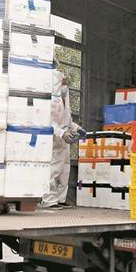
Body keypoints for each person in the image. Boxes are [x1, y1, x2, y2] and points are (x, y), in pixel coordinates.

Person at [40, 63, 86, 209]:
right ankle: (49, 200)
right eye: (63, 81)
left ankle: (60, 198)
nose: (66, 84)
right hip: (55, 138)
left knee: (65, 170)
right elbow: (48, 122)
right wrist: (62, 133)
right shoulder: (51, 101)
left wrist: (77, 128)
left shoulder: (64, 99)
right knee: (53, 169)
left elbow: (68, 120)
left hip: (65, 139)